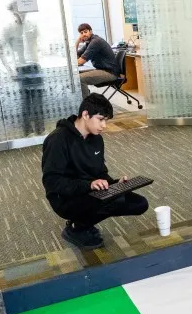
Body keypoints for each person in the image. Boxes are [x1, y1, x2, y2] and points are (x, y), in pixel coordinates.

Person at [41, 93, 149, 249]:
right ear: (85, 114)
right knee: (114, 200)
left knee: (139, 204)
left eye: (106, 120)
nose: (104, 125)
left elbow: (100, 173)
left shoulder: (96, 138)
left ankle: (85, 221)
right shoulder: (58, 140)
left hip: (90, 191)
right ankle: (77, 228)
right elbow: (52, 182)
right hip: (65, 198)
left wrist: (115, 183)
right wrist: (90, 185)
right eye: (100, 119)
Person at [0, 0, 45, 136]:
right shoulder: (8, 28)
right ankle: (28, 131)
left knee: (38, 102)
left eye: (23, 8)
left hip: (35, 67)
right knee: (26, 103)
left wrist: (39, 61)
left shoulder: (33, 25)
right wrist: (10, 70)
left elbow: (39, 44)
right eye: (17, 8)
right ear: (12, 10)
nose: (21, 12)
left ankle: (40, 129)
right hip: (21, 69)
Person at [76, 23, 120, 98]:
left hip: (110, 72)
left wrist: (70, 65)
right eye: (81, 33)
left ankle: (86, 104)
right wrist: (77, 42)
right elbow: (76, 56)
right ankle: (84, 97)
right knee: (76, 75)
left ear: (91, 31)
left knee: (80, 78)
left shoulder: (95, 42)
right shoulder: (88, 42)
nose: (83, 34)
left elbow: (81, 61)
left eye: (85, 32)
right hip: (102, 70)